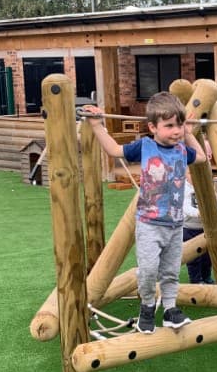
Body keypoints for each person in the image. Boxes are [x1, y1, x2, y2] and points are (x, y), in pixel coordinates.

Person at [82, 93, 207, 334]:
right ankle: (147, 307)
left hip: (174, 224)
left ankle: (170, 310)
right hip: (150, 224)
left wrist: (190, 133)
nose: (176, 131)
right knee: (149, 270)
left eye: (179, 125)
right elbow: (114, 150)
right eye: (169, 126)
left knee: (171, 271)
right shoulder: (146, 146)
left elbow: (201, 157)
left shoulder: (182, 149)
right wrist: (97, 126)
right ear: (152, 127)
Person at [182, 167, 216, 284]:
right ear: (185, 174)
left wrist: (214, 209)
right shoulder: (183, 188)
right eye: (190, 173)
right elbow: (185, 206)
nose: (194, 176)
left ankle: (206, 276)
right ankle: (196, 280)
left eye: (197, 172)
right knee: (193, 257)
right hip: (189, 228)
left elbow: (215, 200)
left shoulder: (206, 185)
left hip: (205, 228)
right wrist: (198, 212)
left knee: (208, 256)